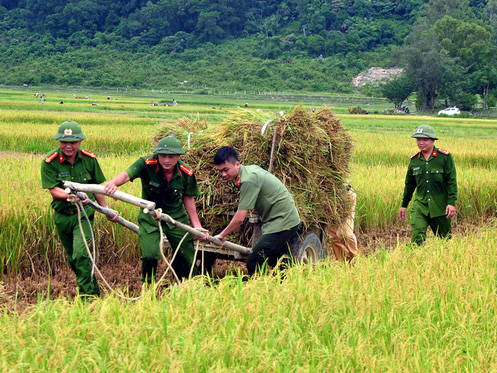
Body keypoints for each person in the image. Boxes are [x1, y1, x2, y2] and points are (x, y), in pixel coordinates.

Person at [104, 137, 213, 282]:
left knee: (186, 255)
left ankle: (193, 285)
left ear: (178, 157)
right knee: (150, 255)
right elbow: (126, 175)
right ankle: (148, 286)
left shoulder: (186, 173)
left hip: (176, 216)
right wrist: (113, 183)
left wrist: (197, 226)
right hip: (150, 216)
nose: (166, 160)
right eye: (163, 156)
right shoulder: (146, 163)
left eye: (171, 157)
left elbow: (188, 198)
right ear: (157, 155)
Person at [41, 121, 117, 298]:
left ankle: (86, 297)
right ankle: (94, 291)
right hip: (62, 216)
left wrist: (105, 209)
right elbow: (53, 190)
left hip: (83, 216)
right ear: (59, 142)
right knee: (73, 259)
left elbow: (98, 187)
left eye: (73, 142)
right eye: (64, 142)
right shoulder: (49, 162)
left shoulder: (90, 160)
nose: (68, 146)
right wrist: (71, 196)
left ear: (80, 142)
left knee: (81, 254)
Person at [213, 146, 300, 275]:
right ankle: (287, 288)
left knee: (255, 260)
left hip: (283, 221)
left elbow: (240, 218)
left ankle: (260, 291)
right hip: (277, 220)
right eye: (220, 171)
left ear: (237, 164)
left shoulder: (248, 180)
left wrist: (222, 235)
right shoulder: (248, 171)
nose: (223, 174)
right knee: (279, 261)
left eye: (226, 170)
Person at [399, 125, 458, 245]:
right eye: (418, 139)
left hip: (440, 206)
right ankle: (416, 259)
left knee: (446, 240)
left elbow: (451, 182)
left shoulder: (444, 157)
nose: (421, 143)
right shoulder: (414, 160)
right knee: (417, 236)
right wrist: (404, 205)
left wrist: (451, 203)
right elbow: (409, 185)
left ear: (433, 140)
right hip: (420, 205)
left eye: (425, 140)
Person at [329, 186, 359, 262]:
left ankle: (354, 257)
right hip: (331, 197)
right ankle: (341, 260)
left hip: (345, 195)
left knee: (347, 234)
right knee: (333, 235)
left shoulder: (350, 193)